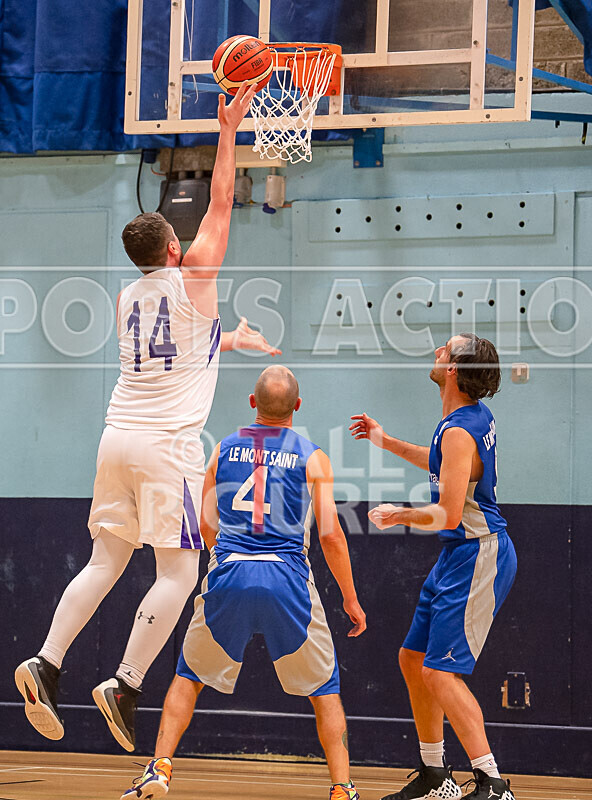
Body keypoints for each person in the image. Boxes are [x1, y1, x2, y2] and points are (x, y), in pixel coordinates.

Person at [14, 83, 282, 753]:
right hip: (167, 447)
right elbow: (221, 201)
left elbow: (178, 348)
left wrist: (229, 338)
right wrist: (229, 129)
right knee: (179, 572)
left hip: (116, 438)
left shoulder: (128, 298)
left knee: (105, 559)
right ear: (172, 250)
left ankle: (47, 661)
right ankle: (125, 683)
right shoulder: (195, 277)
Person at [121, 365, 367, 800]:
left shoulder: (222, 450)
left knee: (188, 676)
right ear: (298, 406)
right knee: (325, 690)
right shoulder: (313, 456)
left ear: (253, 403)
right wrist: (350, 597)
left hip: (230, 570)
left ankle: (159, 767)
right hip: (287, 577)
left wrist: (225, 560)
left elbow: (205, 523)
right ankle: (342, 788)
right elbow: (330, 535)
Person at [350, 334, 517, 800]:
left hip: (478, 553)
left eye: (445, 349)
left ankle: (492, 783)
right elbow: (445, 465)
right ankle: (435, 774)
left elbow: (446, 513)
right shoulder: (465, 419)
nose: (437, 352)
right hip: (457, 555)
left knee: (441, 673)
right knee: (413, 660)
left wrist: (399, 515)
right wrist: (386, 442)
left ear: (454, 370)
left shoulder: (461, 429)